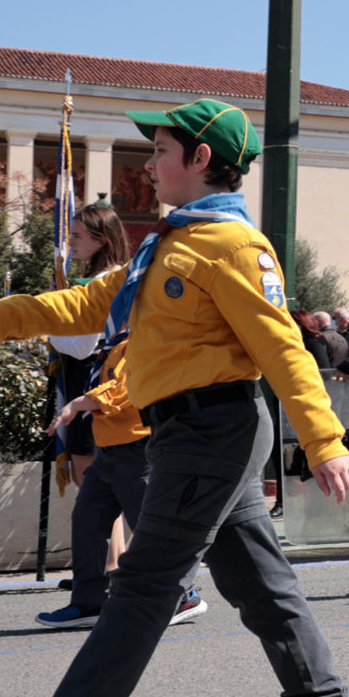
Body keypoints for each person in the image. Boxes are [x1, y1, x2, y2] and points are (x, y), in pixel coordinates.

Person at [0, 98, 349, 697]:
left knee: (141, 586)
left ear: (200, 160)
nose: (149, 162)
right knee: (259, 582)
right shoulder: (168, 245)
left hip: (211, 430)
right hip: (190, 431)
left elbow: (283, 348)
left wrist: (324, 441)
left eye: (162, 149)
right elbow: (83, 304)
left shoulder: (232, 245)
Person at [33, 203, 205, 633]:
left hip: (136, 444)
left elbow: (127, 385)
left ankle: (184, 596)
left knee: (152, 528)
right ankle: (88, 600)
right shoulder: (118, 333)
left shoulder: (141, 331)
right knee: (88, 521)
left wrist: (80, 403)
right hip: (111, 447)